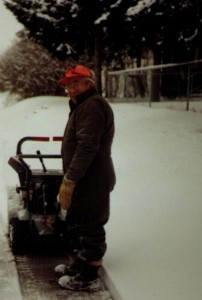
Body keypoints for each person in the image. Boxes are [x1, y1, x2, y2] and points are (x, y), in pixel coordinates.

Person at [55, 65, 116, 291]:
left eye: (75, 84)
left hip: (93, 177)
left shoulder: (92, 106)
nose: (70, 89)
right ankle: (79, 264)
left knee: (91, 224)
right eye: (68, 85)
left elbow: (87, 146)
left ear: (89, 84)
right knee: (78, 221)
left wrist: (70, 178)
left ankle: (88, 276)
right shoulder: (82, 106)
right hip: (84, 176)